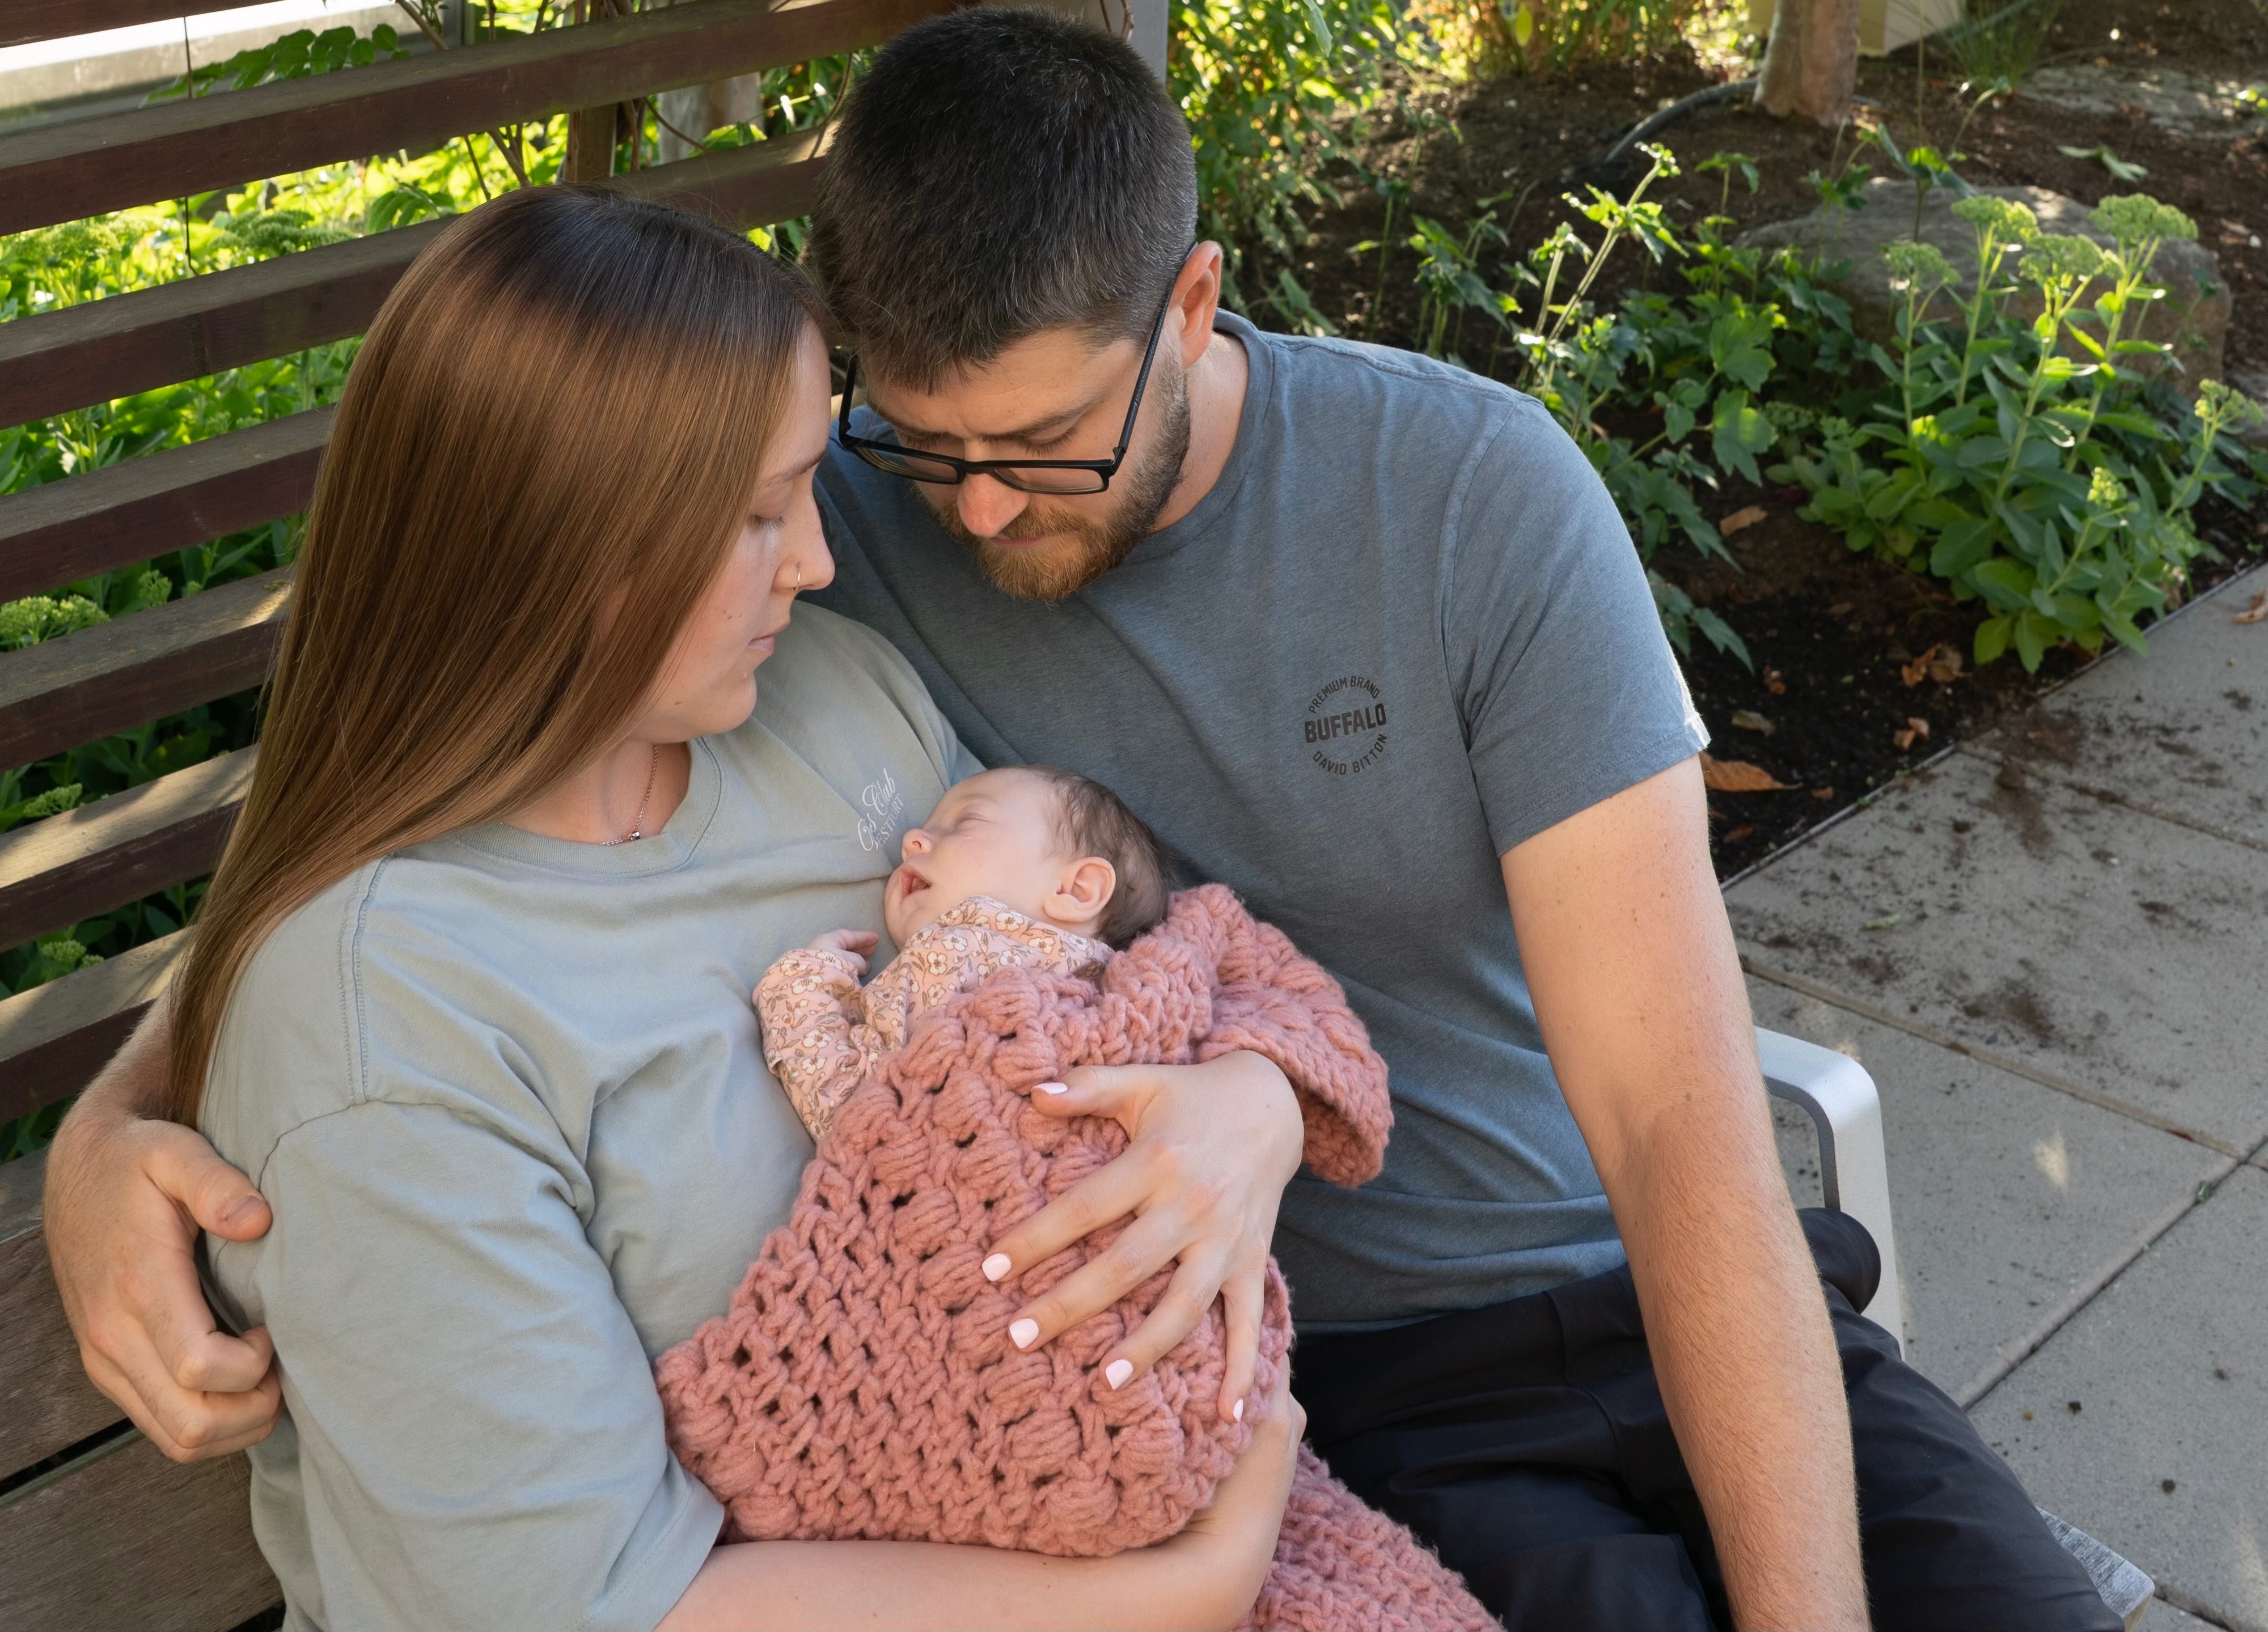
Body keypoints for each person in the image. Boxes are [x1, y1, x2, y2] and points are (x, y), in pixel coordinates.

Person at [46, 11, 2118, 1631]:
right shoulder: (827, 567)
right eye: (905, 442)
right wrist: (115, 1117)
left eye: (1039, 444)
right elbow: (403, 853)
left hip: (1641, 1279)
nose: (960, 512)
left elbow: (1675, 1121)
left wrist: (1257, 1089)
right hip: (1330, 1385)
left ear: (1194, 307)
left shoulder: (1464, 497)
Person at [101, 181, 1306, 1631]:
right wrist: (1182, 1588)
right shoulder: (388, 1028)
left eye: (806, 487)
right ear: (555, 548)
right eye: (754, 514)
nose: (818, 559)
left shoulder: (830, 700)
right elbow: (590, 1609)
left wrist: (1254, 1099)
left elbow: (1122, 961)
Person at [758, 763, 1167, 1139]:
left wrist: (801, 986)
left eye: (966, 822)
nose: (911, 840)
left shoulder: (943, 956)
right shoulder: (1119, 989)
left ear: (1076, 889)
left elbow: (849, 1112)